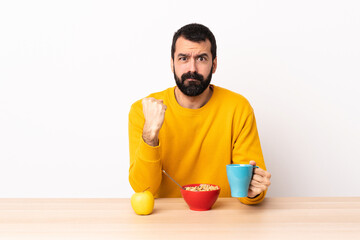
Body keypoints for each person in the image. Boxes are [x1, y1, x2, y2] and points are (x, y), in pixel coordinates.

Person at [128, 23, 271, 205]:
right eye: (183, 58)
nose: (192, 69)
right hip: (164, 222)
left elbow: (249, 189)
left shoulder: (238, 108)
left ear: (214, 64)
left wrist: (252, 191)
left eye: (202, 58)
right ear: (172, 64)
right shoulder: (143, 110)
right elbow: (143, 189)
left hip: (224, 220)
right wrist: (150, 134)